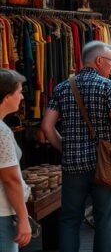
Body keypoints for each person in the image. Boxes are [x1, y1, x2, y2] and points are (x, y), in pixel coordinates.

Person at [41, 41, 111, 252]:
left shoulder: (63, 87)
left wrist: (65, 147)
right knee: (104, 219)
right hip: (105, 164)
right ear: (99, 61)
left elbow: (47, 126)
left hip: (73, 165)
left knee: (70, 219)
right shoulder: (108, 87)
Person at [0, 69, 31, 251]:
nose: (21, 97)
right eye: (19, 92)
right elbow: (10, 179)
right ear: (6, 97)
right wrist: (23, 217)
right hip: (3, 211)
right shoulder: (2, 132)